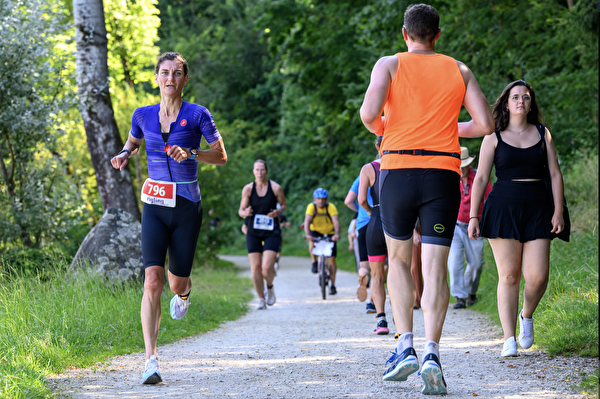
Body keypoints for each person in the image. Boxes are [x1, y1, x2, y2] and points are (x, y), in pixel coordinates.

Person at [360, 4, 494, 394]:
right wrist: (447, 127)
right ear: (438, 35)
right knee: (434, 266)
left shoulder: (388, 64)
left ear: (405, 34)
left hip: (398, 171)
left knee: (399, 261)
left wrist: (391, 127)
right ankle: (433, 353)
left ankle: (405, 347)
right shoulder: (459, 69)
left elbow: (369, 115)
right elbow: (485, 125)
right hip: (443, 175)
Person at [110, 52, 227, 385]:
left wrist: (191, 152)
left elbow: (221, 155)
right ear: (157, 78)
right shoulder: (143, 115)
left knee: (176, 284)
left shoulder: (198, 114)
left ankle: (186, 292)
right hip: (155, 206)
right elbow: (131, 144)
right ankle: (151, 360)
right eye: (165, 73)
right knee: (151, 281)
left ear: (185, 80)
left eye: (177, 74)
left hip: (187, 206)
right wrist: (122, 155)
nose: (170, 79)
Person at [468, 80, 566, 357]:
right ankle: (508, 338)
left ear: (530, 103)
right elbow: (482, 178)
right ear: (507, 103)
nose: (520, 100)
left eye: (525, 97)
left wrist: (558, 210)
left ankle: (527, 315)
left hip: (538, 207)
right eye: (515, 97)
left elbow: (555, 174)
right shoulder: (493, 136)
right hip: (503, 207)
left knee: (537, 276)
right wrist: (474, 215)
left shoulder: (542, 134)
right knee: (509, 275)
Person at [238, 160, 287, 310]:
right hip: (253, 232)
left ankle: (270, 287)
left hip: (271, 231)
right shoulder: (248, 189)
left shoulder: (276, 188)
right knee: (255, 268)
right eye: (257, 170)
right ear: (253, 172)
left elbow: (284, 205)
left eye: (262, 170)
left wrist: (277, 212)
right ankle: (261, 299)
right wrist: (244, 213)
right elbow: (241, 211)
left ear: (266, 171)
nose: (259, 173)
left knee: (266, 268)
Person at [447, 147, 492, 309]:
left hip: (475, 226)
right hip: (455, 226)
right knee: (454, 262)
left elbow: (489, 199)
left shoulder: (479, 177)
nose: (461, 169)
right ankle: (459, 297)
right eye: (459, 166)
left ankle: (471, 292)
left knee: (476, 264)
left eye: (464, 166)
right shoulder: (451, 177)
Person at [358, 136, 390, 334]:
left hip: (376, 221)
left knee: (376, 275)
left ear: (377, 146)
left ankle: (381, 321)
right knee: (398, 271)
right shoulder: (402, 165)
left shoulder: (368, 168)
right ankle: (402, 321)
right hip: (397, 224)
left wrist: (371, 211)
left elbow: (361, 199)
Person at [345, 173, 376, 313]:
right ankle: (371, 302)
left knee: (364, 264)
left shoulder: (363, 175)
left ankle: (363, 277)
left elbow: (348, 201)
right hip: (381, 223)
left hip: (363, 223)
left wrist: (361, 211)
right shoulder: (389, 171)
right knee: (380, 268)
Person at [304, 188, 340, 295]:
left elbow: (336, 221)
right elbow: (307, 222)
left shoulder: (331, 207)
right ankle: (314, 262)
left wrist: (336, 234)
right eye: (318, 199)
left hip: (330, 233)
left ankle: (333, 285)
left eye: (323, 199)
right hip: (315, 231)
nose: (321, 201)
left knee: (332, 261)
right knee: (312, 243)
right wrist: (308, 235)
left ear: (326, 199)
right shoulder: (311, 207)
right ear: (314, 199)